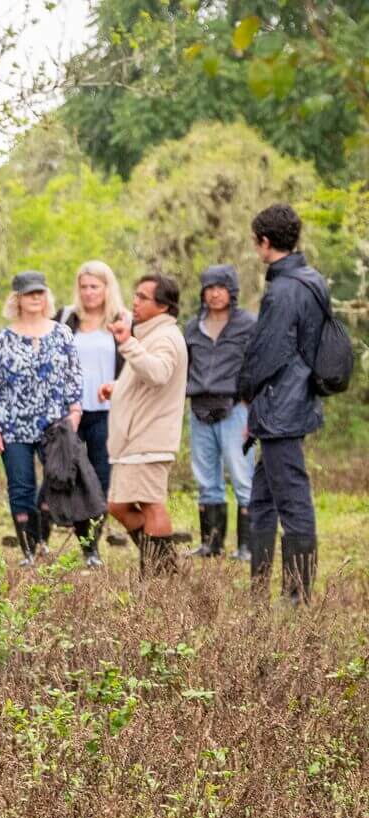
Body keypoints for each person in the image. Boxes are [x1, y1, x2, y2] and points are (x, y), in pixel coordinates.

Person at [239, 203, 328, 604]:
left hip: (280, 408)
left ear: (265, 242)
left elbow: (267, 353)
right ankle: (258, 590)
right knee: (262, 497)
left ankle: (297, 596)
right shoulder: (312, 280)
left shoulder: (285, 289)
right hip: (292, 401)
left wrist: (244, 392)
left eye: (257, 244)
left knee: (292, 500)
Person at [0, 271, 81, 565]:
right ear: (18, 299)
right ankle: (29, 550)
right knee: (20, 486)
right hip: (13, 425)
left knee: (56, 482)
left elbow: (74, 377)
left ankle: (43, 541)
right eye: (29, 294)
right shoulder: (3, 339)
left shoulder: (62, 333)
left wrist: (74, 414)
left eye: (40, 293)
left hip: (55, 423)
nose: (35, 298)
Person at [100, 273, 188, 577]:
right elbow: (146, 378)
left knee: (151, 504)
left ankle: (159, 576)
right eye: (135, 296)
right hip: (135, 438)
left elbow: (159, 373)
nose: (134, 302)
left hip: (150, 437)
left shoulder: (166, 337)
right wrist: (118, 387)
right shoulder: (150, 334)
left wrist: (127, 344)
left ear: (163, 307)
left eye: (143, 298)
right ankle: (162, 567)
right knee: (118, 505)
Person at [182, 264, 258, 560]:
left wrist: (249, 403)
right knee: (206, 479)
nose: (214, 294)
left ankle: (247, 547)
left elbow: (257, 365)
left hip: (237, 408)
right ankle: (210, 545)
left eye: (220, 288)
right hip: (199, 407)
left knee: (242, 477)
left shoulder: (248, 325)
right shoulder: (191, 327)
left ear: (232, 291)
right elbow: (184, 367)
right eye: (209, 288)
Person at [57, 261, 128, 568]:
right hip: (71, 411)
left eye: (95, 286)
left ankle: (91, 548)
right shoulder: (64, 319)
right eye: (84, 286)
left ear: (107, 288)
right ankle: (46, 538)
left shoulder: (122, 321)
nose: (88, 293)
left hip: (106, 413)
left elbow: (132, 365)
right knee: (66, 474)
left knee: (100, 479)